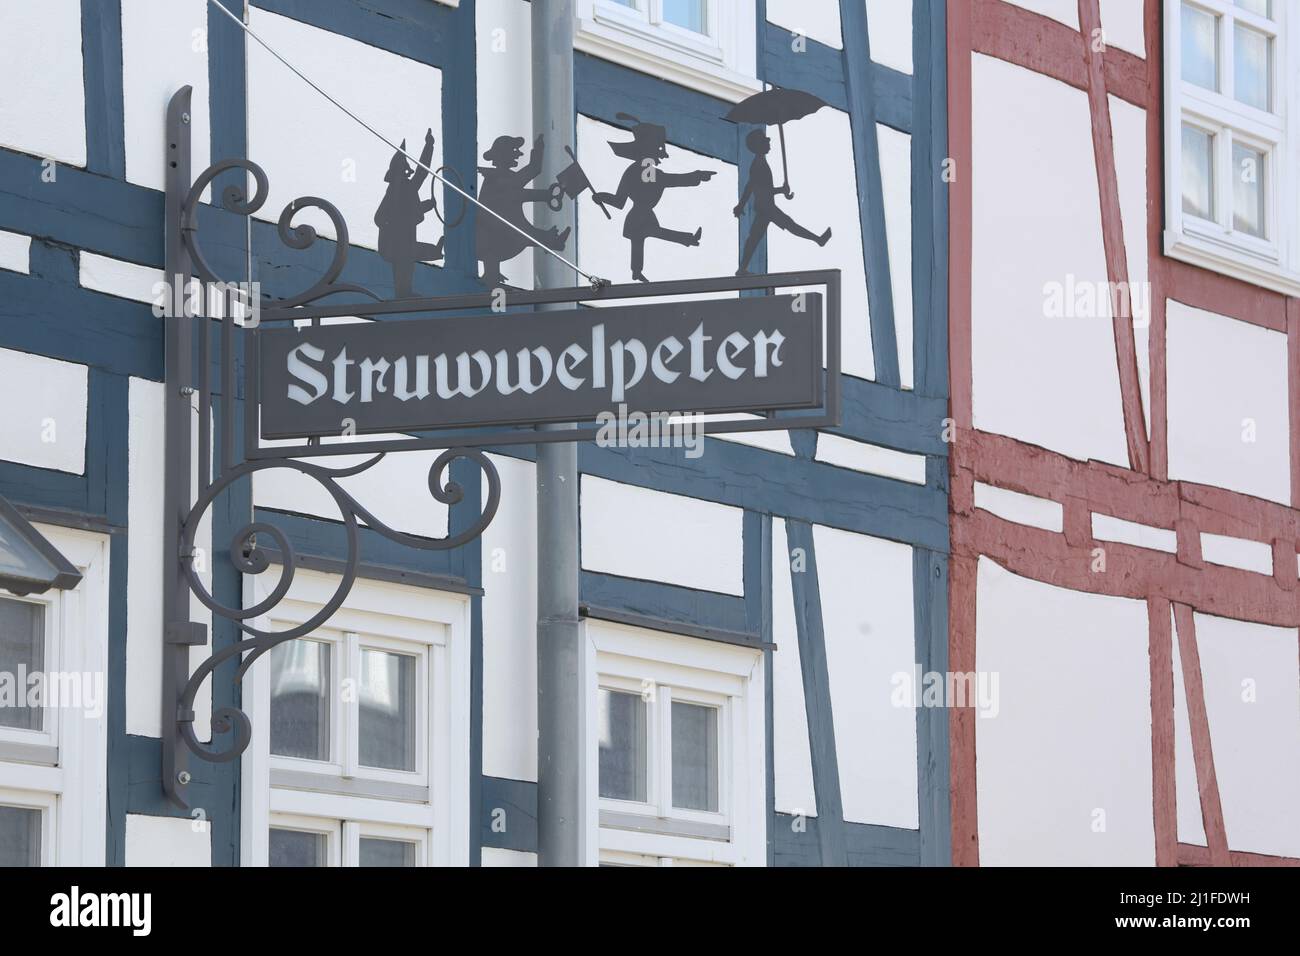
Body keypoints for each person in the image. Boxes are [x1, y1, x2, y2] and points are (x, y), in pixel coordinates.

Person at [594, 114, 715, 283]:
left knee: (644, 239)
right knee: (646, 236)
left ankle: (639, 271)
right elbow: (620, 201)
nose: (662, 156)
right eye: (658, 150)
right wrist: (601, 197)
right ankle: (685, 241)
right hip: (638, 215)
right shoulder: (641, 173)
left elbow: (672, 180)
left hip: (642, 214)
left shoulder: (648, 173)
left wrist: (697, 176)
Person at [476, 134, 571, 287]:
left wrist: (538, 149)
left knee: (520, 234)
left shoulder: (505, 177)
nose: (518, 154)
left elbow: (531, 172)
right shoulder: (498, 178)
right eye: (514, 150)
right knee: (521, 233)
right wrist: (546, 195)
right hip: (493, 231)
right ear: (503, 154)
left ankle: (492, 275)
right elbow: (517, 193)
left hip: (499, 231)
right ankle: (550, 240)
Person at [734, 129, 830, 275]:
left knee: (756, 237)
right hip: (765, 208)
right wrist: (781, 190)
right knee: (787, 226)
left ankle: (742, 269)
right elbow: (760, 190)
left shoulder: (760, 162)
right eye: (765, 140)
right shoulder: (758, 165)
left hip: (766, 207)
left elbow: (750, 186)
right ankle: (818, 240)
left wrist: (741, 205)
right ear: (758, 145)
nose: (769, 141)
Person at [374, 128, 443, 298]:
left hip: (402, 241)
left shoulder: (404, 188)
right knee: (406, 261)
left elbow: (421, 174)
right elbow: (381, 217)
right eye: (405, 171)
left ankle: (404, 292)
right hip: (396, 243)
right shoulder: (397, 190)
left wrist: (429, 146)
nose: (408, 173)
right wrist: (429, 146)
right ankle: (403, 293)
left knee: (408, 260)